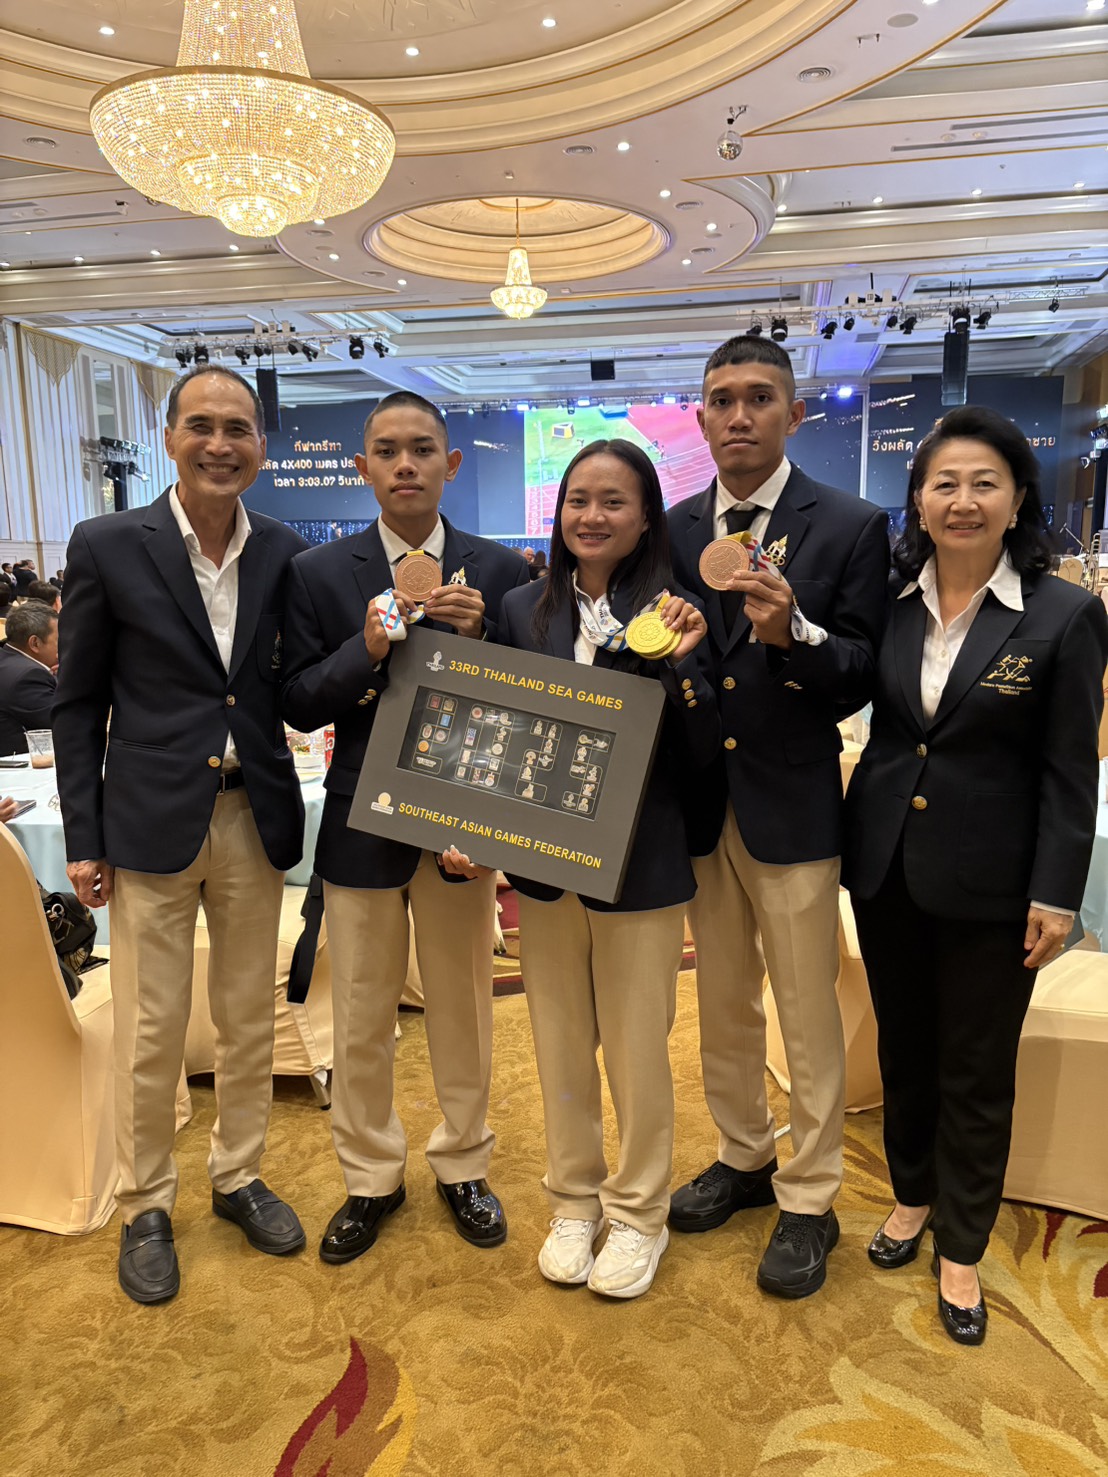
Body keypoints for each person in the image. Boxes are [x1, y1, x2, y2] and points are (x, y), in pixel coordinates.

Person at [842, 406, 1108, 1346]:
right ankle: (911, 1195)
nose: (963, 500)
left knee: (977, 1067)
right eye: (944, 483)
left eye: (984, 483)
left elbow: (1070, 771)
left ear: (1018, 499)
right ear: (918, 499)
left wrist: (1057, 892)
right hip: (886, 868)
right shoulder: (887, 598)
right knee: (905, 1051)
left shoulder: (1063, 614)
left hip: (997, 884)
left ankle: (961, 1244)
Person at [52, 365, 310, 1305]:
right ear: (169, 438)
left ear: (261, 447)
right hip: (149, 821)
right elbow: (77, 702)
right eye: (201, 425)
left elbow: (292, 681)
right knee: (151, 1028)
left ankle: (238, 1175)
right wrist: (84, 835)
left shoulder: (283, 550)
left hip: (253, 810)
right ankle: (146, 1203)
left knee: (249, 1018)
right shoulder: (108, 543)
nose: (219, 444)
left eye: (238, 428)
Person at [281, 390, 529, 1265]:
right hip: (363, 817)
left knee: (464, 1004)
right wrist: (368, 649)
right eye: (386, 450)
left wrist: (484, 637)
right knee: (359, 1011)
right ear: (363, 468)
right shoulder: (320, 573)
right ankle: (370, 1176)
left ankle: (464, 1163)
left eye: (422, 448)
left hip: (463, 821)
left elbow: (526, 706)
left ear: (451, 463)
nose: (405, 465)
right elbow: (299, 701)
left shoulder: (501, 571)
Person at [666, 335, 889, 1298]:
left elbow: (865, 670)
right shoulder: (673, 527)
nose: (739, 415)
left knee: (804, 1006)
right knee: (721, 1001)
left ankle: (811, 1195)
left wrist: (792, 635)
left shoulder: (849, 524)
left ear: (795, 414)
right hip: (699, 800)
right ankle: (744, 1155)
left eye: (760, 397)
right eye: (722, 399)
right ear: (700, 417)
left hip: (792, 801)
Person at [492, 439, 718, 1299]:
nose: (592, 516)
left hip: (642, 861)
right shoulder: (523, 608)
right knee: (558, 1046)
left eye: (613, 501)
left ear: (647, 515)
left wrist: (683, 665)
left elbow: (703, 750)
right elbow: (506, 732)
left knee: (636, 1050)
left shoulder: (680, 607)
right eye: (578, 500)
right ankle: (573, 1200)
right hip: (547, 866)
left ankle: (638, 1212)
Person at [0, 602, 58, 752]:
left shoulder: (6, 659)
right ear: (35, 643)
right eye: (59, 640)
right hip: (19, 761)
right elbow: (68, 723)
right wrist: (72, 677)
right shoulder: (29, 677)